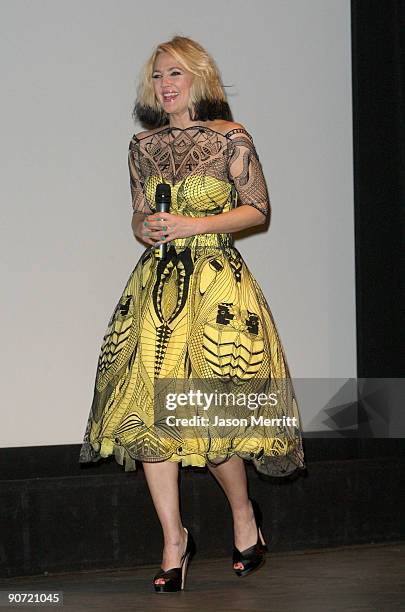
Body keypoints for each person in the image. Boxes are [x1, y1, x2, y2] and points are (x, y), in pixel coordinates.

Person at [79, 34, 305, 592]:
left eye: (175, 74)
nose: (166, 85)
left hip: (217, 290)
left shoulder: (232, 137)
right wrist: (145, 228)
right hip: (157, 293)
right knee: (150, 418)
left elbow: (258, 208)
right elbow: (137, 217)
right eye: (158, 76)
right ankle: (174, 542)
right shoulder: (142, 147)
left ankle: (243, 515)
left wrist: (194, 225)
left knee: (212, 420)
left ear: (200, 79)